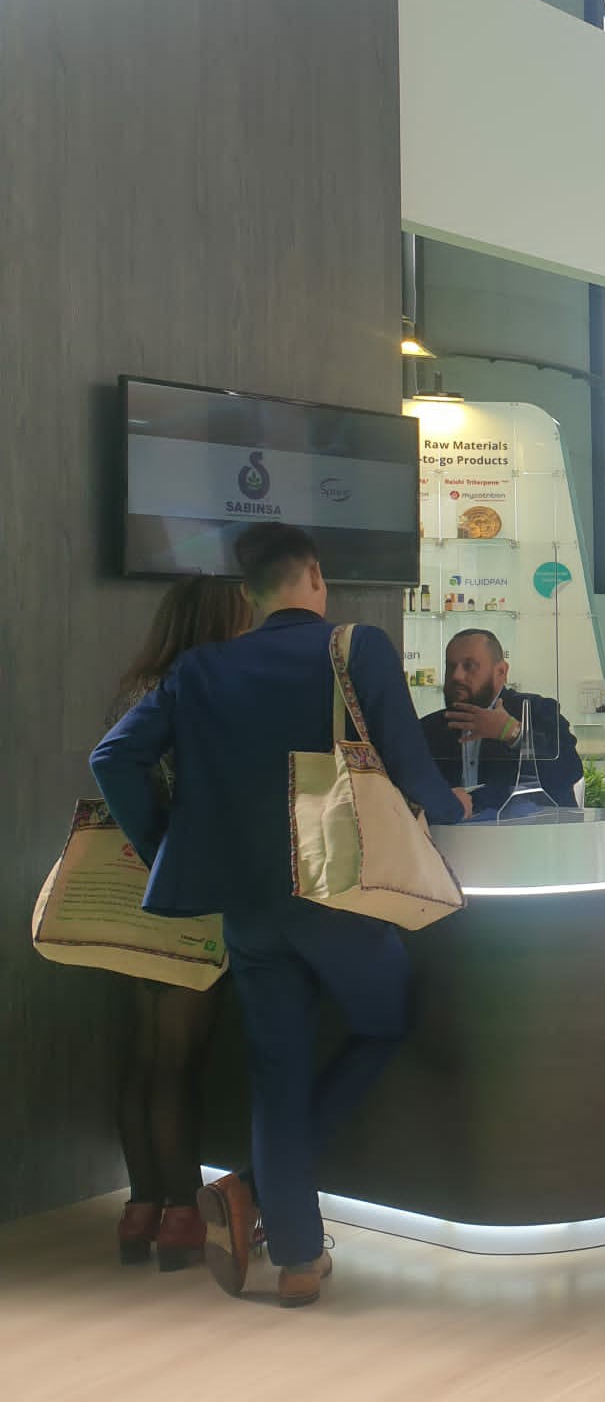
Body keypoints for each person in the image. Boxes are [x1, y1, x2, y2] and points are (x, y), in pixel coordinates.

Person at [92, 524, 472, 1309]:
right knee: (388, 1020)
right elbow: (410, 768)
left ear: (251, 594)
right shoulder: (356, 648)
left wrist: (169, 848)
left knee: (277, 1078)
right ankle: (255, 1192)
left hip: (247, 906)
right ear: (315, 577)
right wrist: (455, 806)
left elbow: (113, 758)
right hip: (336, 894)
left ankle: (298, 1259)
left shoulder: (199, 668)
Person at [102, 578, 252, 1271]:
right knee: (179, 1066)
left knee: (143, 1058)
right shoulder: (204, 691)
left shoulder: (138, 687)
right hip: (188, 892)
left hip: (128, 895)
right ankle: (184, 1216)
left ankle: (141, 1209)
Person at [418, 629, 582, 818]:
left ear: (501, 672)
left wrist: (512, 733)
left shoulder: (536, 710)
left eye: (469, 666)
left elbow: (569, 770)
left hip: (531, 833)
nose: (456, 676)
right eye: (451, 666)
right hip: (452, 835)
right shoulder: (429, 729)